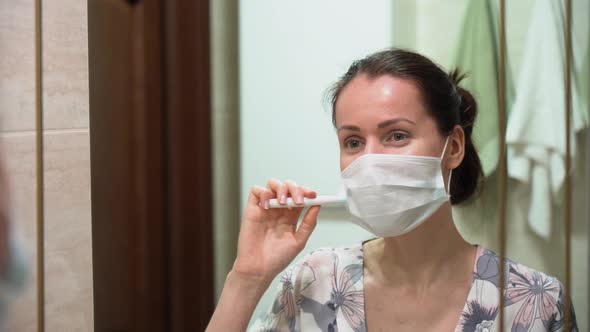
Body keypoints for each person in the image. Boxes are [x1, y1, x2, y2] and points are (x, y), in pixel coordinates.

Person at [206, 48, 577, 332]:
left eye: (396, 135)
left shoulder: (536, 301)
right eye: (352, 141)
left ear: (455, 147)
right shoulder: (313, 279)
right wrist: (248, 278)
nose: (370, 160)